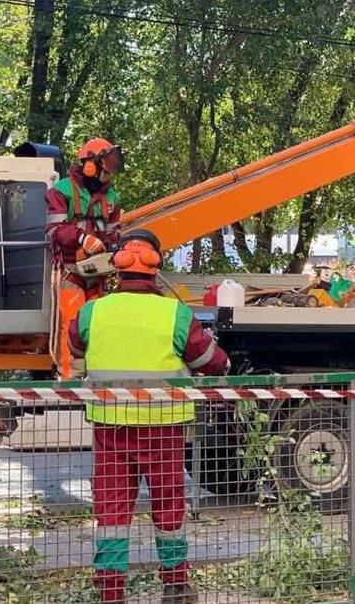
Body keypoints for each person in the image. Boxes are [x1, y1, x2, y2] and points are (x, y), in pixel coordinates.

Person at [69, 229, 229, 604]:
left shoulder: (93, 311)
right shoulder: (175, 313)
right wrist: (223, 359)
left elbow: (76, 343)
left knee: (111, 513)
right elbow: (209, 360)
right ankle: (175, 585)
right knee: (169, 507)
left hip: (112, 429)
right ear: (156, 269)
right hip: (163, 429)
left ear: (117, 268)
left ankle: (111, 592)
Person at [46, 137, 124, 377]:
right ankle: (70, 380)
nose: (110, 172)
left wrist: (116, 250)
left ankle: (95, 376)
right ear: (90, 165)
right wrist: (83, 238)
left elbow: (114, 232)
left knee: (97, 324)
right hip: (70, 269)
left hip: (97, 272)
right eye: (106, 164)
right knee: (71, 323)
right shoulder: (61, 191)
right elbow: (54, 230)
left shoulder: (111, 197)